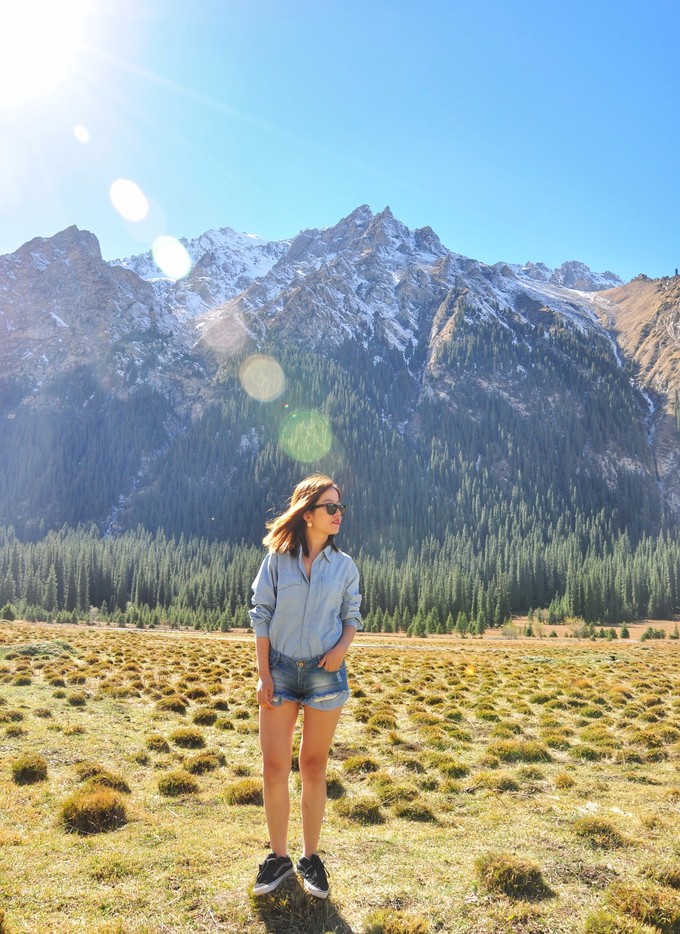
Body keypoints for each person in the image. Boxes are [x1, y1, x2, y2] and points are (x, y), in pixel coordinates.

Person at [249, 474, 362, 899]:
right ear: (308, 513)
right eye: (330, 507)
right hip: (278, 671)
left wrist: (341, 650)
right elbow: (260, 615)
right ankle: (277, 858)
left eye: (340, 508)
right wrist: (263, 674)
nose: (338, 515)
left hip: (324, 675)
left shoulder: (345, 566)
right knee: (274, 766)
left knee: (313, 766)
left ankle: (310, 858)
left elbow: (353, 617)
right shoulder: (278, 560)